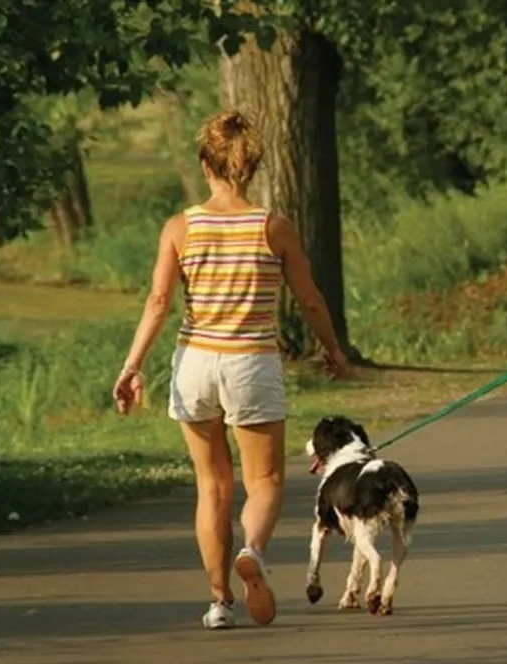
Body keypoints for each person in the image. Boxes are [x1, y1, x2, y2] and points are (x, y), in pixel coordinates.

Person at [112, 110, 348, 630]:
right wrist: (331, 348)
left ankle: (219, 601)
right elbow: (309, 299)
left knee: (211, 486)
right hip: (251, 363)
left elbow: (156, 301)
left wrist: (132, 367)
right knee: (263, 481)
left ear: (206, 164)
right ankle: (255, 552)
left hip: (194, 361)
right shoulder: (274, 227)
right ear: (253, 166)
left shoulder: (180, 227)